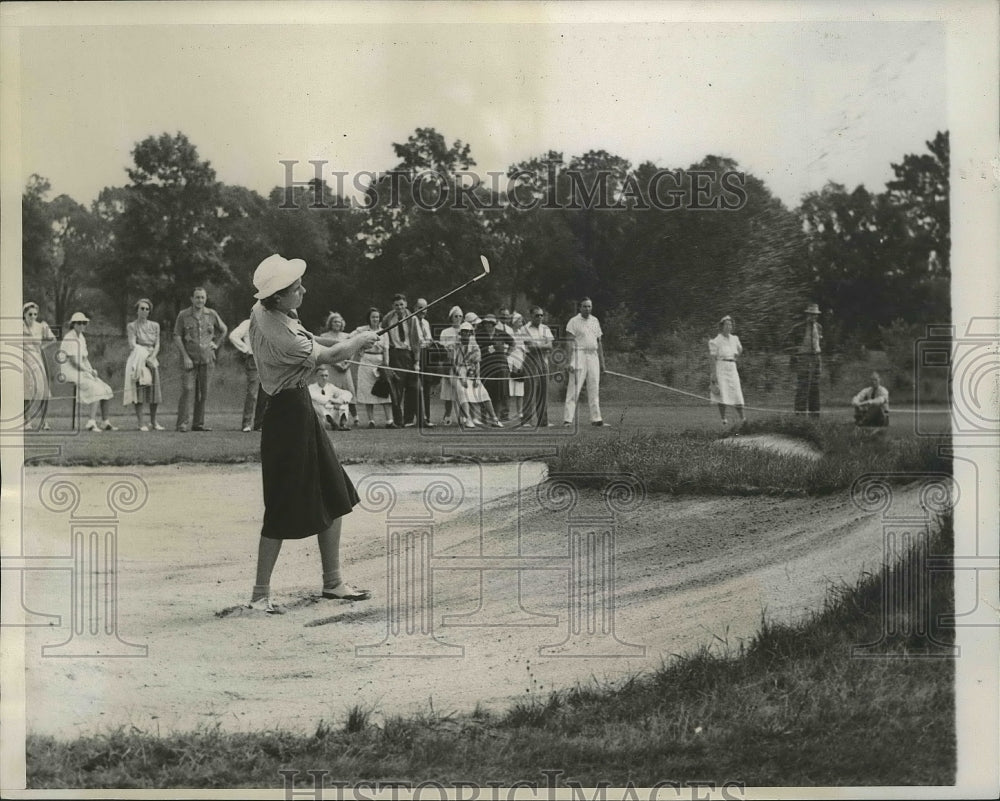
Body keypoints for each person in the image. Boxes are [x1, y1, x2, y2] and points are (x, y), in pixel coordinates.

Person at [246, 254, 381, 613]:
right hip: (286, 416)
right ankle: (260, 595)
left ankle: (333, 582)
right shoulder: (283, 336)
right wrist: (356, 342)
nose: (303, 290)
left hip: (298, 408)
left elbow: (318, 340)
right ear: (278, 296)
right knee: (281, 505)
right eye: (296, 288)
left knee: (334, 492)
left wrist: (354, 339)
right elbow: (328, 355)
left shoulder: (264, 311)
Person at [174, 286, 227, 432]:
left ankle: (198, 424)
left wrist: (216, 344)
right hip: (189, 360)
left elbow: (224, 329)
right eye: (197, 297)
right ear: (192, 299)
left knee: (203, 392)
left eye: (202, 297)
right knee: (187, 389)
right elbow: (177, 336)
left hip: (207, 359)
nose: (200, 300)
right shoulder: (183, 315)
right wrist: (185, 356)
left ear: (206, 299)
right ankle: (182, 424)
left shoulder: (211, 314)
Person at [57, 312, 118, 431]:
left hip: (81, 370)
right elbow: (74, 361)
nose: (81, 325)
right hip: (70, 372)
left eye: (84, 323)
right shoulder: (69, 338)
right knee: (96, 389)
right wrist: (87, 371)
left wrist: (91, 370)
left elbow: (84, 359)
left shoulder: (81, 338)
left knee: (107, 389)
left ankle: (105, 422)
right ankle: (91, 422)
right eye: (79, 323)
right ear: (73, 324)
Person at [562, 297, 606, 427]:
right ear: (580, 308)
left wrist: (602, 362)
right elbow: (569, 342)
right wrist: (569, 361)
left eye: (589, 306)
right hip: (578, 355)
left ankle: (596, 418)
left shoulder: (595, 321)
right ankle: (568, 419)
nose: (587, 309)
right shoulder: (573, 321)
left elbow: (599, 342)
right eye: (585, 306)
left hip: (593, 356)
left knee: (594, 387)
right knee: (574, 388)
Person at [123, 298, 164, 431]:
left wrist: (152, 357)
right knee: (139, 390)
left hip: (152, 359)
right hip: (138, 358)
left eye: (147, 309)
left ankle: (153, 421)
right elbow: (132, 344)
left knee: (154, 392)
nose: (144, 311)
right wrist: (144, 356)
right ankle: (141, 423)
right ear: (137, 310)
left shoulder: (155, 325)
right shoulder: (131, 326)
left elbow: (157, 344)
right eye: (142, 308)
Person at [352, 307, 396, 428]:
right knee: (367, 392)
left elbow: (386, 350)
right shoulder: (363, 331)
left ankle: (389, 421)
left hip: (379, 362)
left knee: (385, 391)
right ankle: (371, 421)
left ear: (380, 318)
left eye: (377, 317)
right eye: (373, 317)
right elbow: (352, 337)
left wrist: (385, 366)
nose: (375, 319)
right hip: (366, 361)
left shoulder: (384, 332)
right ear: (369, 319)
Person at [229, 315, 269, 432]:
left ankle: (259, 424)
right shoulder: (248, 323)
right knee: (252, 392)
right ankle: (246, 423)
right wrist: (245, 349)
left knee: (265, 393)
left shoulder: (271, 323)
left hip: (267, 360)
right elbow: (233, 336)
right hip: (253, 359)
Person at [383, 293, 418, 427]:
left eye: (401, 305)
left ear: (406, 304)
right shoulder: (388, 319)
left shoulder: (412, 318)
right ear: (393, 306)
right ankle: (398, 420)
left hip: (408, 354)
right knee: (397, 389)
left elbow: (416, 340)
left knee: (412, 387)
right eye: (396, 305)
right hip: (395, 354)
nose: (399, 307)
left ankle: (409, 419)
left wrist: (417, 360)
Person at [320, 312, 359, 428]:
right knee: (332, 392)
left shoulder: (347, 336)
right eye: (334, 322)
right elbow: (323, 352)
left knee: (349, 390)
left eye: (339, 321)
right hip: (331, 367)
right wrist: (335, 364)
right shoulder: (324, 337)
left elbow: (352, 351)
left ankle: (356, 418)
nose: (337, 324)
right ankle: (333, 419)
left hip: (345, 368)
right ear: (330, 323)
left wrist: (347, 365)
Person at [21, 302, 56, 430]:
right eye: (30, 314)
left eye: (35, 314)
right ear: (24, 314)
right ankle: (27, 421)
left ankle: (44, 421)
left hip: (37, 360)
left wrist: (42, 348)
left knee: (43, 391)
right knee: (26, 392)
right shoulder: (19, 327)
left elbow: (53, 339)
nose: (33, 317)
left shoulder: (41, 326)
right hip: (24, 361)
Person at [786, 303, 823, 418]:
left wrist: (818, 357)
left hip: (816, 358)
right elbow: (788, 342)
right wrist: (795, 354)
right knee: (803, 386)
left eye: (815, 315)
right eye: (811, 314)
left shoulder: (819, 327)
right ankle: (800, 417)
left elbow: (820, 343)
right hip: (803, 358)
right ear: (807, 315)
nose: (813, 317)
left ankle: (815, 417)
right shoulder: (799, 327)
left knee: (815, 387)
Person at [708, 315, 746, 427]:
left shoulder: (735, 339)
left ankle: (743, 418)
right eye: (726, 325)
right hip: (721, 367)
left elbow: (740, 349)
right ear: (722, 326)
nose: (729, 327)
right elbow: (712, 359)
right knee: (722, 393)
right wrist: (714, 374)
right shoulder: (716, 341)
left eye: (730, 325)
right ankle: (724, 419)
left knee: (737, 392)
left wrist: (736, 356)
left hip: (732, 367)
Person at [476, 314, 514, 422]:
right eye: (486, 323)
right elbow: (476, 349)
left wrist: (507, 354)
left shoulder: (501, 333)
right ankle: (483, 417)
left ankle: (496, 417)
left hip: (500, 366)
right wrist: (487, 350)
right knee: (484, 391)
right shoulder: (479, 335)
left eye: (490, 323)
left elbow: (512, 343)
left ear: (494, 324)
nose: (488, 325)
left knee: (499, 392)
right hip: (485, 366)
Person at [522, 306, 555, 427]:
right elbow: (530, 347)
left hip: (543, 361)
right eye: (537, 315)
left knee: (543, 392)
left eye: (541, 315)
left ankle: (543, 421)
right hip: (530, 361)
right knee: (530, 392)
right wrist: (543, 345)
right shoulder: (524, 329)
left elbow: (550, 346)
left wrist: (539, 346)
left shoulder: (545, 328)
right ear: (531, 316)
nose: (540, 317)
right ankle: (526, 420)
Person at [409, 298, 437, 428]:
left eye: (425, 308)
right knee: (414, 387)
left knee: (426, 386)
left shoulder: (425, 322)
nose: (422, 311)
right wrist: (416, 360)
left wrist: (427, 343)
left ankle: (426, 417)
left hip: (426, 355)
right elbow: (416, 341)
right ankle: (411, 418)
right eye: (420, 308)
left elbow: (429, 340)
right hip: (415, 355)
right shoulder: (412, 320)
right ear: (415, 308)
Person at [438, 306, 465, 425]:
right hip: (449, 364)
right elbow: (442, 349)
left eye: (460, 316)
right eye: (455, 316)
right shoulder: (445, 332)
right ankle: (447, 415)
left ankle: (462, 415)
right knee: (448, 393)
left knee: (462, 391)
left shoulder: (465, 330)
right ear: (451, 318)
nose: (458, 318)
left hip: (462, 365)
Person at [309, 365, 353, 430]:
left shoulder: (330, 387)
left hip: (331, 412)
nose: (324, 378)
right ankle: (332, 423)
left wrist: (341, 400)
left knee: (345, 402)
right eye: (322, 375)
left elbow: (348, 393)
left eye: (326, 376)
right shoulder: (311, 388)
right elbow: (319, 398)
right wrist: (334, 401)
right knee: (316, 404)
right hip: (320, 417)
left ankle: (342, 424)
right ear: (316, 377)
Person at [507, 311, 529, 422]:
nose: (521, 322)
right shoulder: (509, 333)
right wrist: (512, 366)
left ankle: (519, 412)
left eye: (521, 320)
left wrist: (522, 364)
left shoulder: (521, 333)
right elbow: (508, 350)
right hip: (510, 361)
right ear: (514, 322)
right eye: (519, 320)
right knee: (510, 390)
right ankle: (509, 412)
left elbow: (524, 350)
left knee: (520, 390)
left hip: (520, 362)